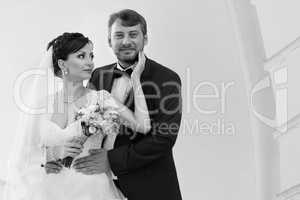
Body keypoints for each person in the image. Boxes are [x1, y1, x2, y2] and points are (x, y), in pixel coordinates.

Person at [3, 32, 151, 200]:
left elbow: (143, 125)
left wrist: (136, 79)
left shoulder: (101, 99)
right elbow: (26, 155)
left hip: (91, 189)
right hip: (49, 190)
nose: (90, 62)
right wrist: (51, 156)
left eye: (91, 55)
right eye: (81, 56)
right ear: (62, 64)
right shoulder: (43, 104)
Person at [78, 9, 183, 200]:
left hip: (148, 186)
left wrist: (111, 160)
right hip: (99, 184)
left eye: (133, 34)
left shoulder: (167, 78)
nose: (126, 41)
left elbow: (164, 138)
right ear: (110, 41)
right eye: (119, 35)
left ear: (145, 38)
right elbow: (82, 124)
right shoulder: (98, 75)